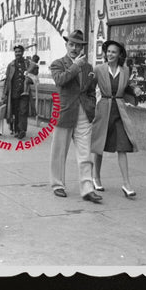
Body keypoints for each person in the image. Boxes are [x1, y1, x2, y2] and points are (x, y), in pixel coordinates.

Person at [49, 29, 102, 203]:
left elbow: (91, 90)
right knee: (59, 152)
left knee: (85, 153)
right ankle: (58, 185)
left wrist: (91, 107)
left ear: (82, 47)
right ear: (66, 45)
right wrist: (75, 66)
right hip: (64, 112)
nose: (74, 48)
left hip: (83, 114)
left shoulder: (88, 67)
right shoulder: (58, 63)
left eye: (78, 45)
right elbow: (60, 80)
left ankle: (87, 189)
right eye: (71, 44)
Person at [91, 40, 142, 198]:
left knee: (122, 146)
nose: (110, 54)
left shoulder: (125, 70)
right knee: (100, 146)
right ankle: (96, 177)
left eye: (114, 52)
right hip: (103, 109)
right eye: (108, 51)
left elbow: (127, 86)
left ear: (120, 54)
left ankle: (126, 184)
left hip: (119, 111)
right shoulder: (99, 69)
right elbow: (89, 89)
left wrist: (135, 89)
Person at [2, 45, 38, 140]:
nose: (17, 53)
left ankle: (22, 130)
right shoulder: (11, 65)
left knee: (23, 111)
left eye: (19, 51)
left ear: (23, 53)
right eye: (16, 52)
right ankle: (17, 130)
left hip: (24, 92)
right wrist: (4, 94)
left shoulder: (27, 64)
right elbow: (7, 80)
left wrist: (34, 69)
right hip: (13, 93)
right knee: (15, 112)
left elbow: (34, 74)